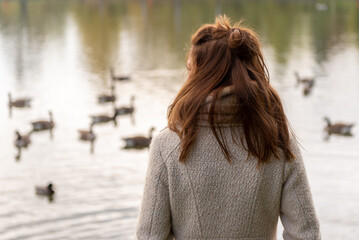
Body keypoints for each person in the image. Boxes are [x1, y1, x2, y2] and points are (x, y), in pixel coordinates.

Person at [136, 15, 320, 240]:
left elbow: (149, 237)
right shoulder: (278, 141)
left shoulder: (168, 144)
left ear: (198, 76)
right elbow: (307, 235)